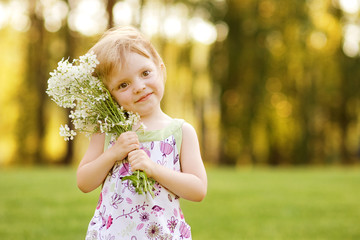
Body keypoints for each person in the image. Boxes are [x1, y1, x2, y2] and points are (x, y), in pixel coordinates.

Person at [77, 26, 207, 240]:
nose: (138, 87)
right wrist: (113, 153)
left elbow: (198, 189)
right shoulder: (108, 131)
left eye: (145, 73)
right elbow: (84, 182)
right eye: (123, 84)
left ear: (161, 70)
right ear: (109, 96)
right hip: (112, 235)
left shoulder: (181, 132)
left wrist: (153, 169)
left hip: (162, 234)